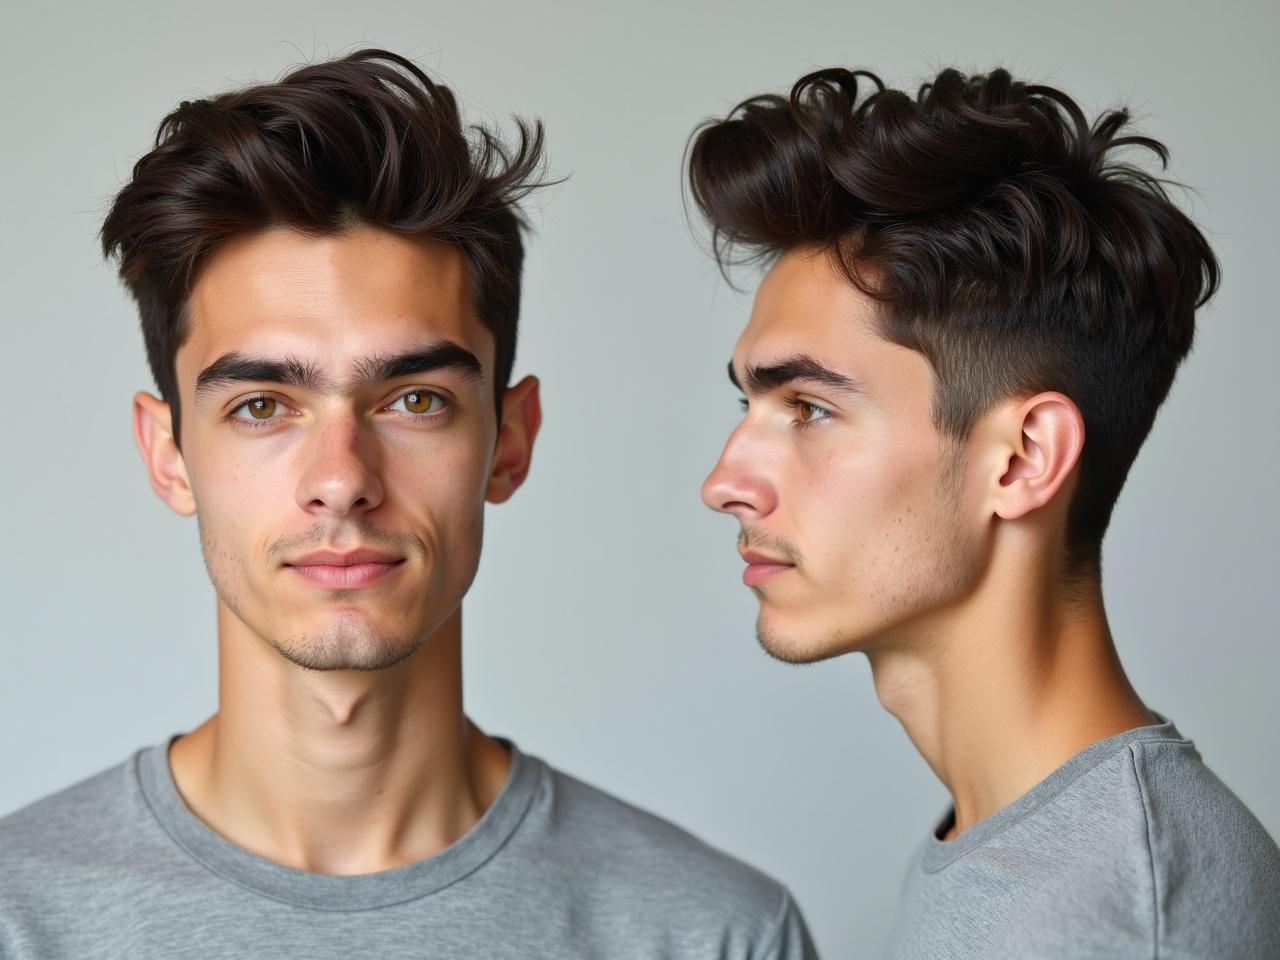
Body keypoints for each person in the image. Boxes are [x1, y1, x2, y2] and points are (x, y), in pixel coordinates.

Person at [0, 49, 815, 959]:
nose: (343, 477)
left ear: (510, 441)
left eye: (413, 400)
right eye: (262, 406)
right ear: (169, 455)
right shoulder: (20, 920)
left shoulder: (708, 934)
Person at [687, 65, 1280, 958]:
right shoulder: (1010, 842)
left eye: (808, 409)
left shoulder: (1121, 918)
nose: (727, 481)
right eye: (749, 408)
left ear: (1023, 460)